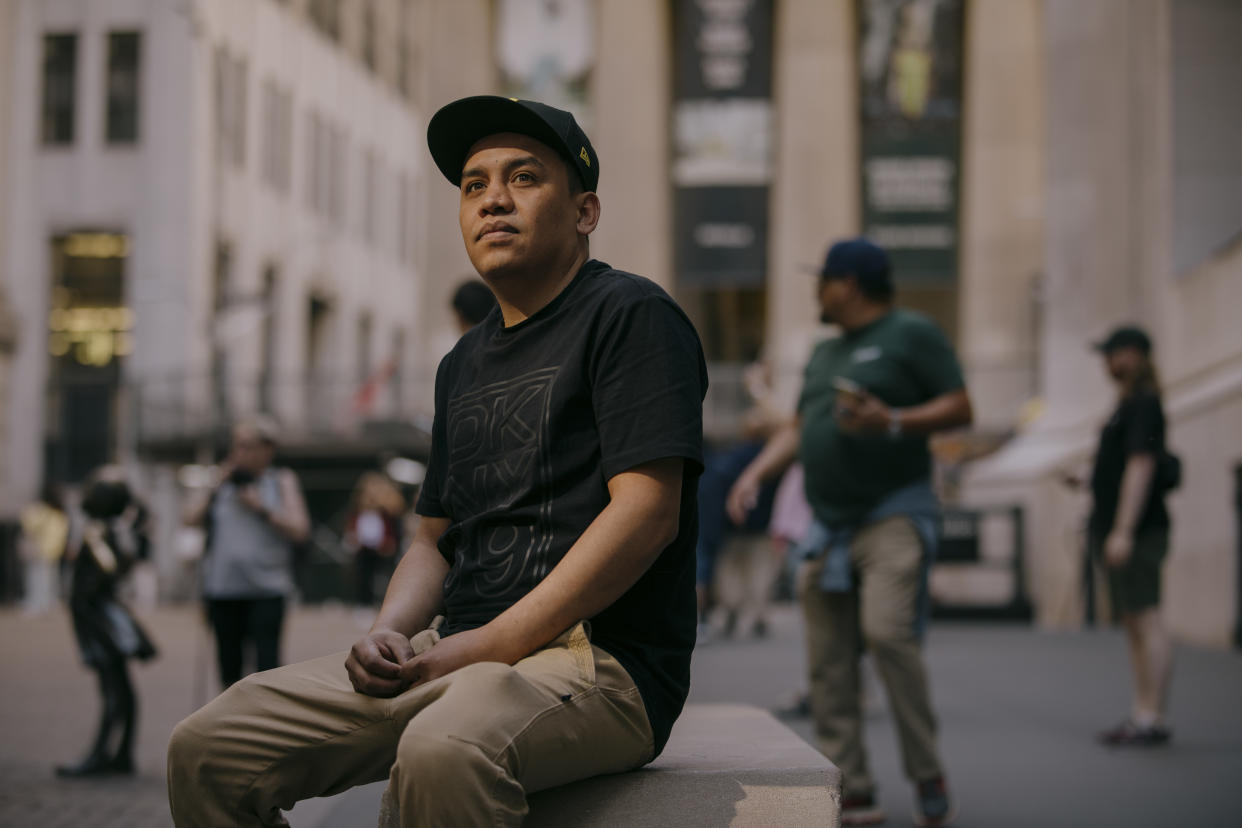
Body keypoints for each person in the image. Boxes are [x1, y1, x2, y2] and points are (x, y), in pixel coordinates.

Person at [167, 95, 707, 826]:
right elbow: (431, 536)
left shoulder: (631, 315)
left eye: (523, 178)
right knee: (209, 747)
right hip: (450, 649)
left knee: (444, 748)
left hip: (596, 663)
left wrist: (488, 646)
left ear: (584, 212)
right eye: (474, 185)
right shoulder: (462, 361)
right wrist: (389, 629)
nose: (493, 200)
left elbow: (646, 513)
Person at [727, 237, 971, 827]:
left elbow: (962, 408)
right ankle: (853, 786)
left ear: (849, 285)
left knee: (887, 634)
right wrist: (757, 472)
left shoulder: (913, 333)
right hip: (827, 526)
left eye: (822, 279)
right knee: (829, 661)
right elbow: (801, 425)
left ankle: (925, 769)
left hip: (892, 514)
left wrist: (890, 419)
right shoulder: (824, 352)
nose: (815, 290)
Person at [1086, 325, 1175, 746]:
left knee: (1146, 616)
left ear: (1136, 355)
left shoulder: (1143, 403)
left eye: (1115, 353)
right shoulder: (1127, 404)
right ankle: (1143, 711)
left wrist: (1123, 530)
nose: (1108, 362)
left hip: (1137, 530)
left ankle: (1151, 715)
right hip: (1115, 526)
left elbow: (1141, 465)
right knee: (1133, 620)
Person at [183, 417, 310, 689]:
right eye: (235, 446)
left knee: (268, 670)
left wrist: (261, 508)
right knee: (229, 670)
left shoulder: (281, 480)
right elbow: (190, 518)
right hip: (223, 589)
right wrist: (215, 484)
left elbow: (300, 529)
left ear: (268, 449)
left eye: (246, 446)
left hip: (267, 588)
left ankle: (267, 727)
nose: (237, 453)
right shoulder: (222, 484)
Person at [57, 467, 157, 778]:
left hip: (99, 617)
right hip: (104, 614)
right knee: (120, 687)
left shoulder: (98, 531)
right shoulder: (114, 528)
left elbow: (110, 567)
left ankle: (103, 754)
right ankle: (121, 752)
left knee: (113, 687)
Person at [344, 471, 405, 608]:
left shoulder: (388, 511)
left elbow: (395, 530)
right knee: (364, 575)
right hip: (364, 549)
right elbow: (352, 528)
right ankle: (364, 603)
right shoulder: (359, 510)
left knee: (388, 576)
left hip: (384, 548)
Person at [18, 482, 68, 615]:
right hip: (53, 550)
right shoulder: (59, 513)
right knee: (49, 578)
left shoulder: (41, 511)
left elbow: (28, 525)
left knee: (36, 578)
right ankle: (47, 602)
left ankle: (37, 603)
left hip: (40, 549)